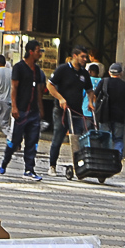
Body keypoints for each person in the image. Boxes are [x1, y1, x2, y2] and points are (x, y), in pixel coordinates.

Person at [0, 40, 44, 179]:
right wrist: (14, 107)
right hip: (21, 110)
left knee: (32, 141)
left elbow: (38, 90)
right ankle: (5, 162)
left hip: (33, 112)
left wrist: (40, 108)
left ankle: (29, 169)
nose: (40, 53)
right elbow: (14, 88)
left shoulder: (37, 70)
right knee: (15, 141)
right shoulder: (19, 67)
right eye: (38, 50)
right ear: (31, 52)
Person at [47, 45, 92, 176]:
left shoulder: (84, 73)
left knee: (78, 138)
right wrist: (61, 99)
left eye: (86, 57)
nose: (85, 59)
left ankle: (78, 165)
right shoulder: (63, 69)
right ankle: (52, 165)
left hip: (76, 111)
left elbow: (89, 90)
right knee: (58, 137)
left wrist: (90, 101)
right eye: (82, 56)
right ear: (75, 56)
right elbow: (50, 85)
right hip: (61, 110)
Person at [93, 62, 125, 157]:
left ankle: (105, 159)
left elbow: (94, 95)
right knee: (118, 139)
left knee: (105, 138)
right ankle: (117, 158)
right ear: (121, 73)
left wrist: (98, 106)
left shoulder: (103, 82)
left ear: (109, 72)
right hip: (119, 117)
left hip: (104, 115)